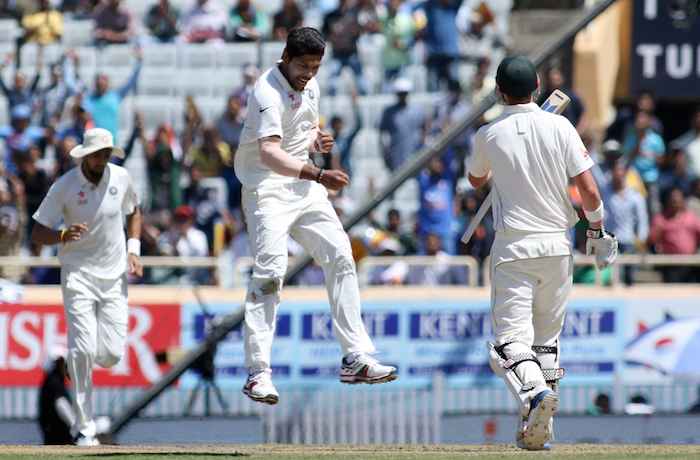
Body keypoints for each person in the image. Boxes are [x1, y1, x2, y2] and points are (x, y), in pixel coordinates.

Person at [233, 27, 397, 405]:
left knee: (341, 256)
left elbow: (303, 130)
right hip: (266, 191)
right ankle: (258, 373)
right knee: (271, 273)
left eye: (316, 67)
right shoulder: (265, 92)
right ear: (285, 57)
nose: (309, 73)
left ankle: (355, 356)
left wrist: (316, 140)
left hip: (302, 187)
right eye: (303, 65)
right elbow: (271, 154)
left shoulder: (311, 85)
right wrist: (320, 173)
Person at [466, 56, 617, 450]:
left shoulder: (489, 134)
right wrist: (598, 231)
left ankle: (533, 394)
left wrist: (504, 165)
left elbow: (475, 179)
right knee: (545, 342)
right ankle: (540, 433)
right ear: (536, 85)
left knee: (507, 344)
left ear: (499, 92)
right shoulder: (561, 125)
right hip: (557, 247)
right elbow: (590, 192)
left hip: (514, 247)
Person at [30, 127, 143, 446]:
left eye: (107, 155)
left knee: (109, 355)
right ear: (85, 156)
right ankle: (84, 426)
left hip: (114, 276)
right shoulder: (65, 186)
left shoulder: (121, 178)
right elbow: (38, 233)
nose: (102, 161)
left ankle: (76, 360)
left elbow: (134, 211)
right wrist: (62, 236)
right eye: (98, 155)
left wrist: (133, 250)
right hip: (78, 274)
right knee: (82, 348)